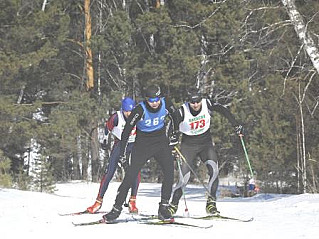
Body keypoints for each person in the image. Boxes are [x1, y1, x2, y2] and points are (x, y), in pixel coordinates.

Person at [103, 85, 179, 221]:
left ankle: (164, 208)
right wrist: (123, 153)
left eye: (157, 99)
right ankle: (116, 209)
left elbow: (176, 117)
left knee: (169, 172)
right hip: (143, 144)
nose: (155, 103)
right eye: (151, 100)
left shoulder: (166, 103)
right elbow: (126, 131)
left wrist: (175, 134)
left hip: (161, 142)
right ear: (146, 100)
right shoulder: (139, 109)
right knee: (130, 175)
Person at [168, 89, 244, 215]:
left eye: (198, 101)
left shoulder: (207, 103)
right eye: (193, 102)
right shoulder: (182, 111)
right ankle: (173, 205)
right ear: (188, 102)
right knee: (184, 178)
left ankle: (211, 204)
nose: (196, 104)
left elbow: (223, 110)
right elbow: (171, 126)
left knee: (214, 170)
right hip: (188, 146)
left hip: (205, 144)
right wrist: (172, 141)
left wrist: (236, 125)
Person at [86, 97, 141, 214]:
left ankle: (132, 201)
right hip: (119, 145)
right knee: (109, 173)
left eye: (131, 111)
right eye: (126, 111)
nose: (129, 114)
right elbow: (107, 128)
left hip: (133, 146)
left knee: (135, 173)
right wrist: (105, 141)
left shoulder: (138, 116)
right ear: (122, 110)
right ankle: (98, 202)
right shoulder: (116, 117)